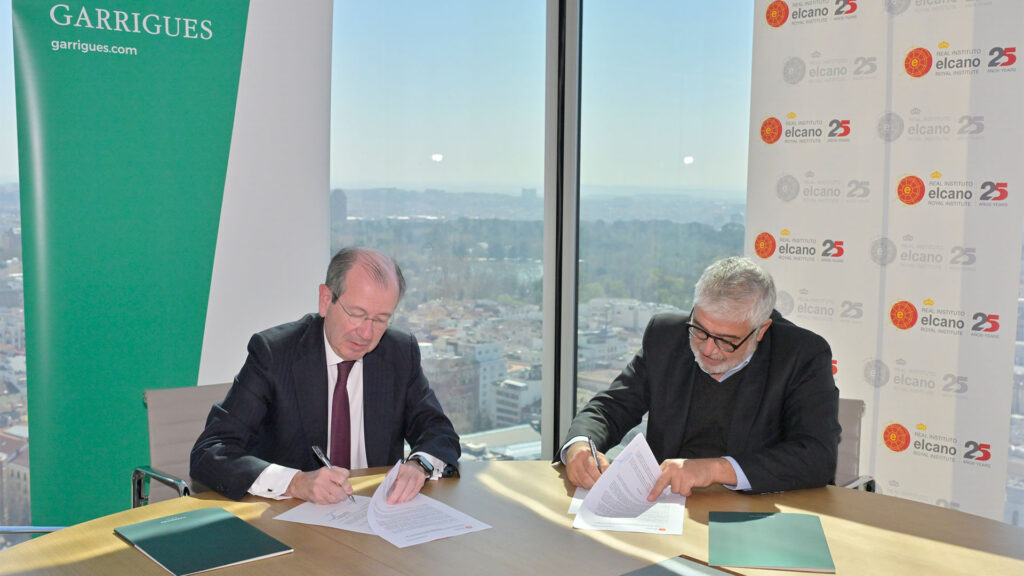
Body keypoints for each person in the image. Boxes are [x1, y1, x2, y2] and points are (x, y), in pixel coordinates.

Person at [191, 247, 460, 505]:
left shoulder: (399, 353)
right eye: (357, 314)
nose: (366, 333)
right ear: (325, 300)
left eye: (380, 320)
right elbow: (211, 451)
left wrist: (419, 464)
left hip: (376, 516)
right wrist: (295, 482)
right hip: (290, 521)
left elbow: (438, 431)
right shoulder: (275, 354)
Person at [561, 256, 839, 498]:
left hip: (752, 513)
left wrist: (717, 468)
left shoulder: (801, 355)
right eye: (700, 330)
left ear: (761, 330)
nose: (707, 349)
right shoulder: (666, 335)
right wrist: (580, 444)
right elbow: (612, 407)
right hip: (662, 505)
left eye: (727, 341)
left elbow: (816, 456)